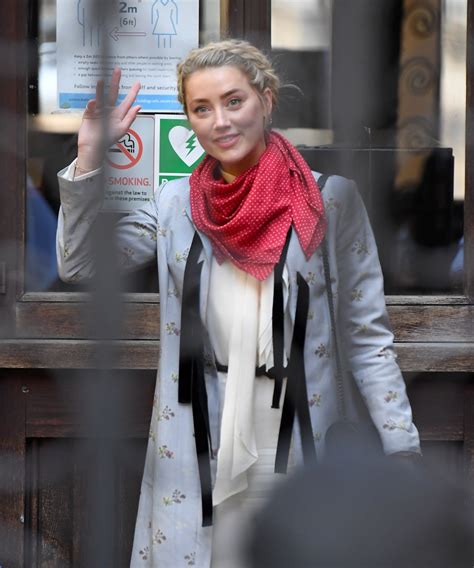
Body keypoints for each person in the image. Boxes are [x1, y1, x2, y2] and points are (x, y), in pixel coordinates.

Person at [56, 39, 421, 567]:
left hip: (300, 439)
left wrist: (401, 449)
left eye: (234, 101)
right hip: (196, 440)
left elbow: (367, 336)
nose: (220, 121)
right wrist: (90, 159)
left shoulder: (330, 202)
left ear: (266, 100)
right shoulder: (174, 204)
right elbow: (81, 265)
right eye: (201, 109)